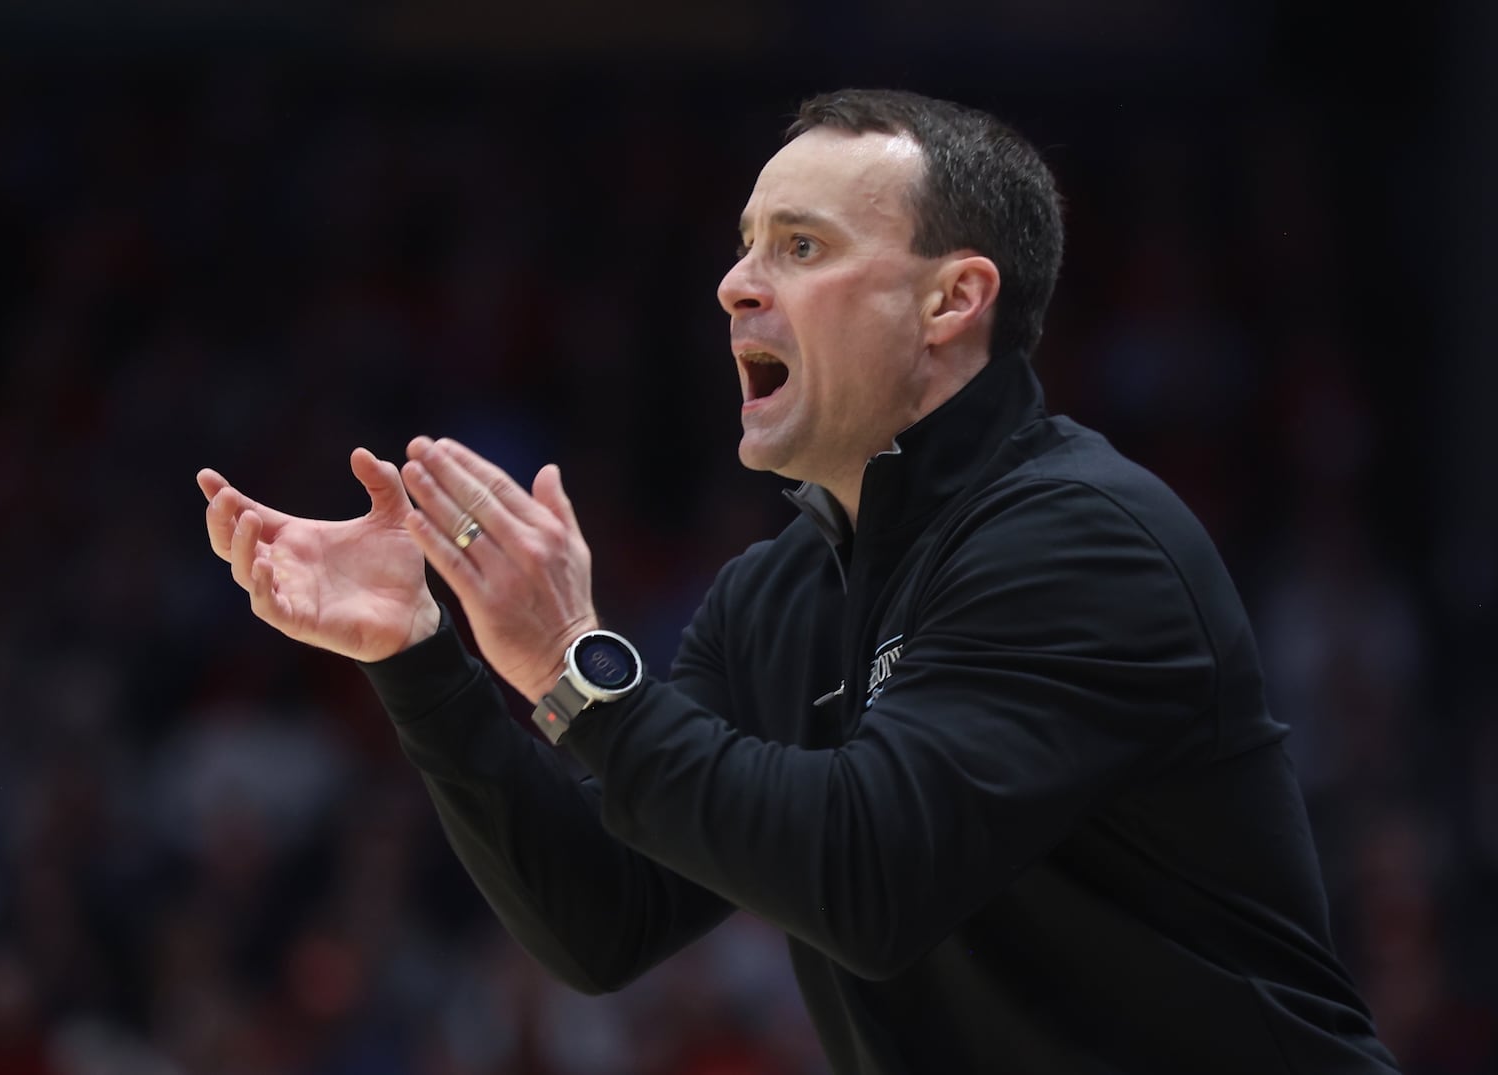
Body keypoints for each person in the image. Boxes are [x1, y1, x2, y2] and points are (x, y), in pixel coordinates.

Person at [198, 89, 1400, 1073]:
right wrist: (423, 661)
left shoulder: (1081, 538)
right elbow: (603, 919)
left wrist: (575, 662)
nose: (735, 284)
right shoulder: (778, 597)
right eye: (743, 246)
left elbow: (870, 880)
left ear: (951, 302)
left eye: (801, 246)